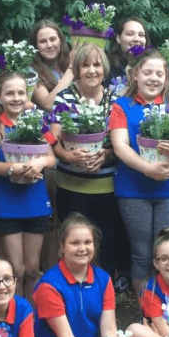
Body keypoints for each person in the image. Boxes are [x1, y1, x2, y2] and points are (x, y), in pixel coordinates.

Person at [109, 48, 169, 296]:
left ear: (166, 78)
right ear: (135, 75)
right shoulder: (121, 105)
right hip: (133, 190)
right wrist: (148, 169)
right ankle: (147, 311)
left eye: (159, 73)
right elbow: (119, 146)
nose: (153, 78)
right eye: (147, 72)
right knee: (143, 254)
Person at [50, 43, 131, 292]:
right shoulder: (64, 97)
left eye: (97, 65)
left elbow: (121, 142)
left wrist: (105, 155)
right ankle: (73, 294)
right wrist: (69, 156)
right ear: (77, 69)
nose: (92, 70)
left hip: (106, 187)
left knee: (105, 245)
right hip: (71, 185)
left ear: (104, 70)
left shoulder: (115, 100)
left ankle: (102, 298)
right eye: (85, 65)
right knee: (73, 244)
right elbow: (53, 140)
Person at [0, 72, 56, 299]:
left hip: (35, 203)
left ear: (27, 95)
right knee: (17, 270)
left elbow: (52, 158)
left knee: (33, 269)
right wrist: (15, 168)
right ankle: (15, 316)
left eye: (21, 93)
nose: (16, 98)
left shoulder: (37, 122)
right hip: (7, 204)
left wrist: (41, 162)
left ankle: (31, 320)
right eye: (10, 93)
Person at [29, 19, 74, 111]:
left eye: (53, 39)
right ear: (36, 45)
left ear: (60, 41)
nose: (49, 45)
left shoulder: (68, 61)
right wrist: (71, 69)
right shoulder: (31, 72)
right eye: (43, 41)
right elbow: (48, 104)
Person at [106, 17, 148, 92]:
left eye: (141, 35)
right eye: (130, 34)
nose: (136, 39)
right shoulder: (106, 67)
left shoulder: (153, 67)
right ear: (118, 38)